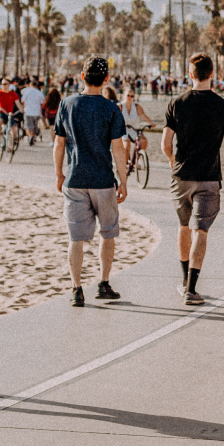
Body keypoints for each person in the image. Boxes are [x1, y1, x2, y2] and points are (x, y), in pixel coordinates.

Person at [162, 54, 224, 306]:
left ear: (190, 73)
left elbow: (165, 144)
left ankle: (185, 281)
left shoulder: (177, 103)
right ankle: (191, 289)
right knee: (201, 231)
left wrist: (173, 162)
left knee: (183, 225)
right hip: (208, 178)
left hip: (181, 177)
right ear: (213, 73)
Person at [53, 58, 128, 307]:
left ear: (82, 75)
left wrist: (58, 174)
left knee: (76, 239)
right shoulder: (111, 109)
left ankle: (77, 289)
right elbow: (118, 147)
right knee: (108, 234)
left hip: (75, 179)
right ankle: (103, 283)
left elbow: (59, 143)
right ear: (106, 79)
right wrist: (123, 181)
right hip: (103, 180)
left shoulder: (67, 104)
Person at [119, 84, 155, 176]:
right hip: (123, 129)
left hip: (134, 129)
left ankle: (137, 160)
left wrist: (150, 123)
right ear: (124, 96)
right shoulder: (120, 106)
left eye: (132, 96)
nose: (130, 98)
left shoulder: (137, 106)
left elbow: (143, 115)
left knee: (143, 141)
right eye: (128, 95)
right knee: (126, 145)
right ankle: (125, 164)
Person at [20, 77, 46, 144]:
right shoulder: (39, 93)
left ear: (30, 85)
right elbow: (42, 103)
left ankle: (29, 136)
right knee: (35, 126)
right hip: (37, 111)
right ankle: (33, 137)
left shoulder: (27, 92)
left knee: (28, 126)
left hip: (28, 111)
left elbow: (22, 101)